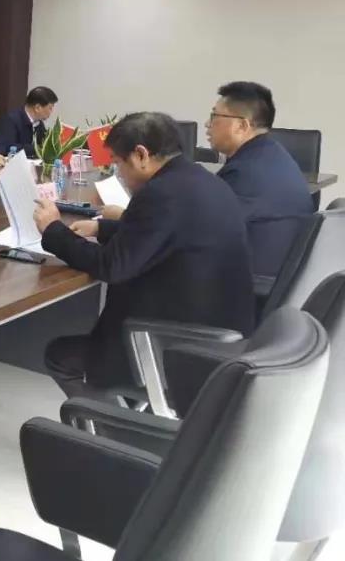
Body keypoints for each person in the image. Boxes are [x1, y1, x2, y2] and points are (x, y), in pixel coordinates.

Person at [32, 112, 254, 398]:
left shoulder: (159, 194)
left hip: (173, 343)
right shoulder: (199, 180)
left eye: (118, 164)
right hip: (220, 333)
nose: (120, 175)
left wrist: (53, 230)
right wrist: (101, 228)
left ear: (141, 155)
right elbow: (161, 233)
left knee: (59, 355)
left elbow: (112, 266)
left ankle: (99, 419)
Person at [207, 81, 313, 283]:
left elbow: (201, 227)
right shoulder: (270, 155)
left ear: (242, 125)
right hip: (276, 278)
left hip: (254, 286)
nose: (207, 124)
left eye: (214, 116)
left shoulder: (246, 172)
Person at [0, 86, 58, 158]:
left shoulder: (39, 123)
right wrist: (37, 149)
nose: (52, 111)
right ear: (37, 108)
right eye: (50, 108)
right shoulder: (11, 120)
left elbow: (44, 144)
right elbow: (6, 147)